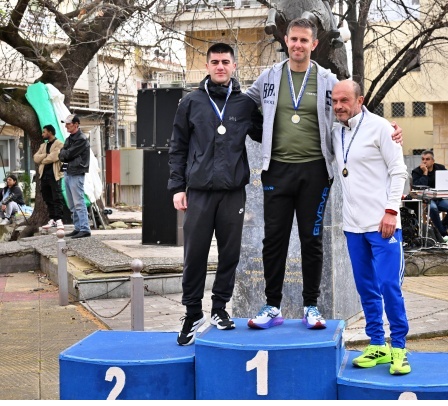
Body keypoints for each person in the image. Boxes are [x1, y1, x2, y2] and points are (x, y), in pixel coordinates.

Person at [245, 17, 403, 330]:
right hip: (276, 170)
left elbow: (353, 105)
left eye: (304, 40)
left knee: (312, 240)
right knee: (273, 240)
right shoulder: (269, 77)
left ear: (314, 44)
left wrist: (387, 127)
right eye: (293, 39)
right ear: (286, 40)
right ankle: (272, 306)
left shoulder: (327, 79)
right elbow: (243, 102)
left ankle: (311, 306)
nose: (298, 45)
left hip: (315, 171)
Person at [168, 42, 263, 345]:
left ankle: (220, 308)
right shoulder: (191, 102)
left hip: (233, 192)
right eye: (215, 62)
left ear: (234, 66)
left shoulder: (245, 104)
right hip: (198, 192)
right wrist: (177, 187)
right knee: (194, 254)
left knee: (230, 254)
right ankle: (192, 313)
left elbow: (267, 133)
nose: (220, 66)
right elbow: (178, 146)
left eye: (225, 62)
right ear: (207, 66)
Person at [330, 80, 411, 375]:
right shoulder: (336, 131)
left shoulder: (381, 128)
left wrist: (391, 211)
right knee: (366, 288)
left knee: (390, 286)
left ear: (360, 100)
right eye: (334, 101)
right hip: (353, 226)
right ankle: (377, 344)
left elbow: (399, 172)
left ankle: (399, 348)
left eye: (344, 100)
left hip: (383, 224)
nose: (339, 106)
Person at [411, 150, 448, 240]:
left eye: (427, 159)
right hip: (426, 200)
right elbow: (418, 187)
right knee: (433, 208)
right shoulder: (416, 171)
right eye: (423, 159)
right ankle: (443, 234)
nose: (424, 161)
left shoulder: (440, 168)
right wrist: (425, 173)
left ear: (433, 161)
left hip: (439, 198)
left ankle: (439, 232)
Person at [58, 114, 91, 239]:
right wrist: (65, 154)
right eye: (66, 124)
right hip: (68, 171)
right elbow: (62, 154)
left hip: (76, 172)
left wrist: (65, 153)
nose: (66, 126)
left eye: (68, 124)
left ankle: (84, 228)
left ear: (76, 124)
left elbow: (66, 154)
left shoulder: (81, 139)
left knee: (78, 202)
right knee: (72, 203)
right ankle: (78, 228)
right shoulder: (70, 138)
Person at [34, 124, 64, 230]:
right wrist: (46, 155)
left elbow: (54, 157)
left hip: (54, 175)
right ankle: (52, 219)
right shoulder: (43, 145)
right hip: (44, 175)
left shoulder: (59, 143)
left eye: (44, 132)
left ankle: (59, 219)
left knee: (57, 197)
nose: (42, 134)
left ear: (50, 132)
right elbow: (35, 158)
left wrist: (43, 159)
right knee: (47, 198)